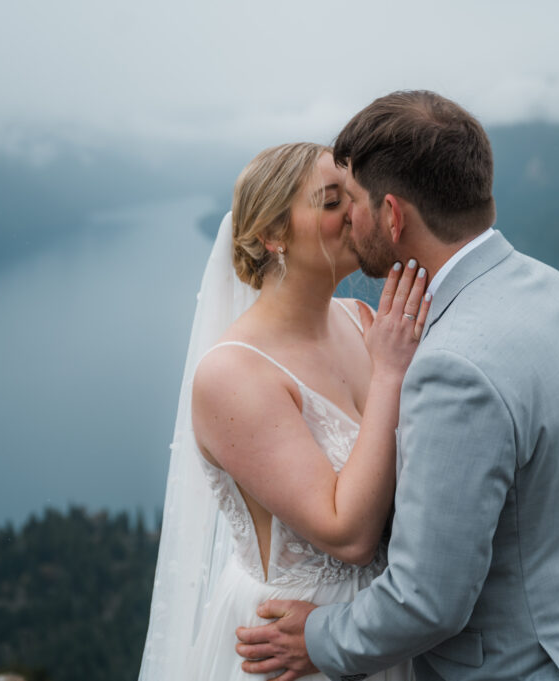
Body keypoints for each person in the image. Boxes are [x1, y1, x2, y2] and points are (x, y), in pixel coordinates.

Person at [236, 91, 559, 681]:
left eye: (351, 201)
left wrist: (317, 638)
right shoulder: (552, 288)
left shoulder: (453, 366)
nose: (348, 220)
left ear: (394, 217)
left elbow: (427, 599)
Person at [137, 142, 421, 681]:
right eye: (331, 200)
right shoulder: (232, 376)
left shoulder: (364, 322)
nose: (356, 214)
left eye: (354, 197)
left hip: (382, 634)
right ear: (272, 234)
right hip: (290, 647)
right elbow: (350, 536)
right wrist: (389, 374)